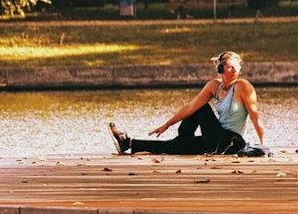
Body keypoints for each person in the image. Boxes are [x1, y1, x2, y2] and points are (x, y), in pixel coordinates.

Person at [110, 51, 266, 155]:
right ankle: (129, 143)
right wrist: (166, 125)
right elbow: (190, 107)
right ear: (220, 69)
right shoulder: (214, 86)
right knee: (172, 146)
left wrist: (264, 145)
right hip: (215, 140)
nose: (234, 72)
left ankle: (182, 140)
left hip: (232, 142)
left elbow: (255, 117)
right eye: (229, 67)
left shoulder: (243, 86)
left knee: (202, 108)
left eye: (236, 68)